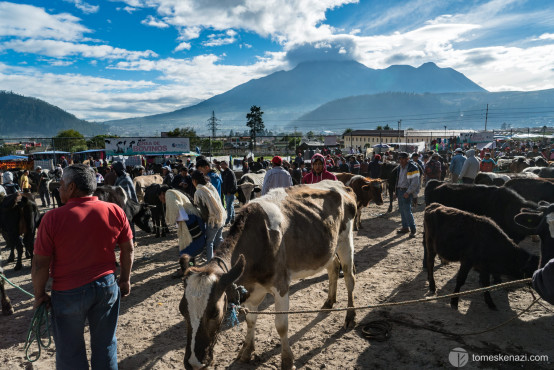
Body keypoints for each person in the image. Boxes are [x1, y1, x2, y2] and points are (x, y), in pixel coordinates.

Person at [32, 164, 134, 370]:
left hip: (68, 292)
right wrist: (125, 279)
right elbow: (128, 249)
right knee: (106, 345)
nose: (58, 189)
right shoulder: (114, 210)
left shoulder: (52, 218)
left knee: (70, 352)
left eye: (61, 185)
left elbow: (40, 264)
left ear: (71, 188)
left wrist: (39, 294)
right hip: (106, 286)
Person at [158, 185, 205, 262]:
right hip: (193, 220)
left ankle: (186, 269)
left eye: (159, 196)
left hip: (190, 222)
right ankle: (189, 267)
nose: (160, 199)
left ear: (162, 193)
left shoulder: (169, 193)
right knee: (190, 249)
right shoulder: (175, 192)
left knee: (186, 249)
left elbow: (178, 208)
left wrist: (177, 220)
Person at [191, 170, 226, 262]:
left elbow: (202, 210)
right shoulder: (210, 186)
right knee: (219, 239)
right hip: (221, 216)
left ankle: (210, 262)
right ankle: (224, 257)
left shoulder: (199, 192)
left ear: (194, 181)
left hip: (213, 219)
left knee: (209, 242)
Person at [395, 152, 420, 238]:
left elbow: (415, 183)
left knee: (407, 211)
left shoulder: (413, 168)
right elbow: (398, 180)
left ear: (407, 159)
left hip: (407, 192)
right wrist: (396, 191)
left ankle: (413, 229)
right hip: (400, 190)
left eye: (403, 159)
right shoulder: (400, 168)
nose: (401, 160)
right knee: (402, 210)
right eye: (400, 159)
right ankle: (405, 227)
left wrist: (408, 192)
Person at [113, 161, 138, 239]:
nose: (113, 172)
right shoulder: (120, 178)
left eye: (114, 170)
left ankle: (132, 240)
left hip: (127, 206)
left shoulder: (125, 180)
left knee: (129, 224)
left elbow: (126, 197)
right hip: (122, 206)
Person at [220, 160, 237, 225]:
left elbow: (233, 183)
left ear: (226, 165)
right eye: (221, 165)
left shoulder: (230, 172)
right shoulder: (225, 172)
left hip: (229, 193)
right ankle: (232, 218)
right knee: (231, 206)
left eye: (222, 164)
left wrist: (230, 191)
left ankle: (228, 221)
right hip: (226, 193)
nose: (221, 166)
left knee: (229, 207)